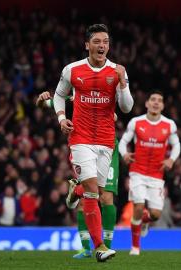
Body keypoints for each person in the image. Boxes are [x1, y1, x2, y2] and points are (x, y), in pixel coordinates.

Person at [52, 23, 133, 262]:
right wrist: (61, 117)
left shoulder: (117, 71)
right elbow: (58, 95)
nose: (102, 46)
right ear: (87, 45)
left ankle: (73, 190)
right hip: (80, 138)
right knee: (92, 193)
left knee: (93, 190)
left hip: (106, 141)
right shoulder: (72, 70)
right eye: (97, 41)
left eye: (106, 41)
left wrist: (123, 82)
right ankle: (99, 247)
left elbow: (127, 107)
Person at [36, 91, 120, 258]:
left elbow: (115, 117)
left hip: (107, 146)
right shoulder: (68, 101)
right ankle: (87, 248)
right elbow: (44, 105)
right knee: (90, 197)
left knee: (105, 196)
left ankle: (106, 246)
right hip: (83, 146)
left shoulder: (102, 94)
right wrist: (41, 100)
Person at [118, 90, 181, 255]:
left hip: (156, 175)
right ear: (147, 103)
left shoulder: (169, 125)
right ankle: (135, 247)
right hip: (137, 172)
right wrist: (124, 154)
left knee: (155, 214)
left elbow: (177, 145)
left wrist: (171, 160)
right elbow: (123, 142)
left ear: (163, 105)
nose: (156, 102)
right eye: (153, 99)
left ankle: (145, 221)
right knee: (138, 206)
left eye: (159, 100)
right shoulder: (136, 122)